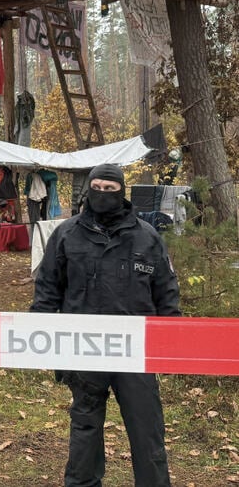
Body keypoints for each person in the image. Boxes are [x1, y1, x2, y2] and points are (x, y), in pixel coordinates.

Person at [31, 163, 181, 486]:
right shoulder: (67, 235)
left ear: (122, 193)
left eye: (110, 189)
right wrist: (38, 337)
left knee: (147, 433)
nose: (102, 194)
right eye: (97, 187)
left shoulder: (147, 237)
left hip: (135, 356)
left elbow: (167, 293)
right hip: (84, 351)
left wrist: (173, 345)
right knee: (84, 434)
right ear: (88, 190)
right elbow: (47, 288)